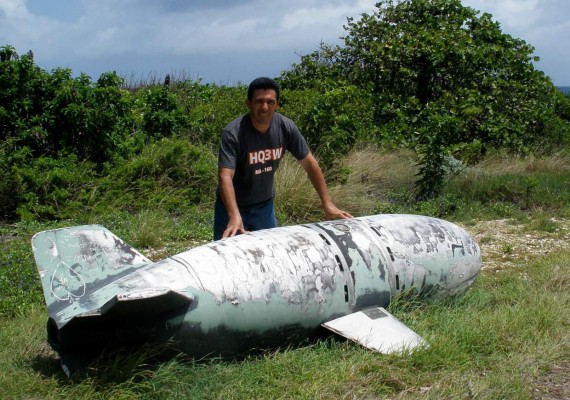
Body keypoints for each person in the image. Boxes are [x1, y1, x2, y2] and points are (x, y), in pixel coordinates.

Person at [214, 77, 352, 240]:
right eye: (259, 101)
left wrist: (328, 205)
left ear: (277, 104)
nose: (264, 107)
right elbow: (225, 176)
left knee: (268, 255)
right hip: (231, 208)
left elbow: (310, 164)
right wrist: (234, 216)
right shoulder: (233, 133)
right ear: (248, 103)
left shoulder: (285, 127)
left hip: (264, 207)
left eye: (270, 102)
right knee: (230, 258)